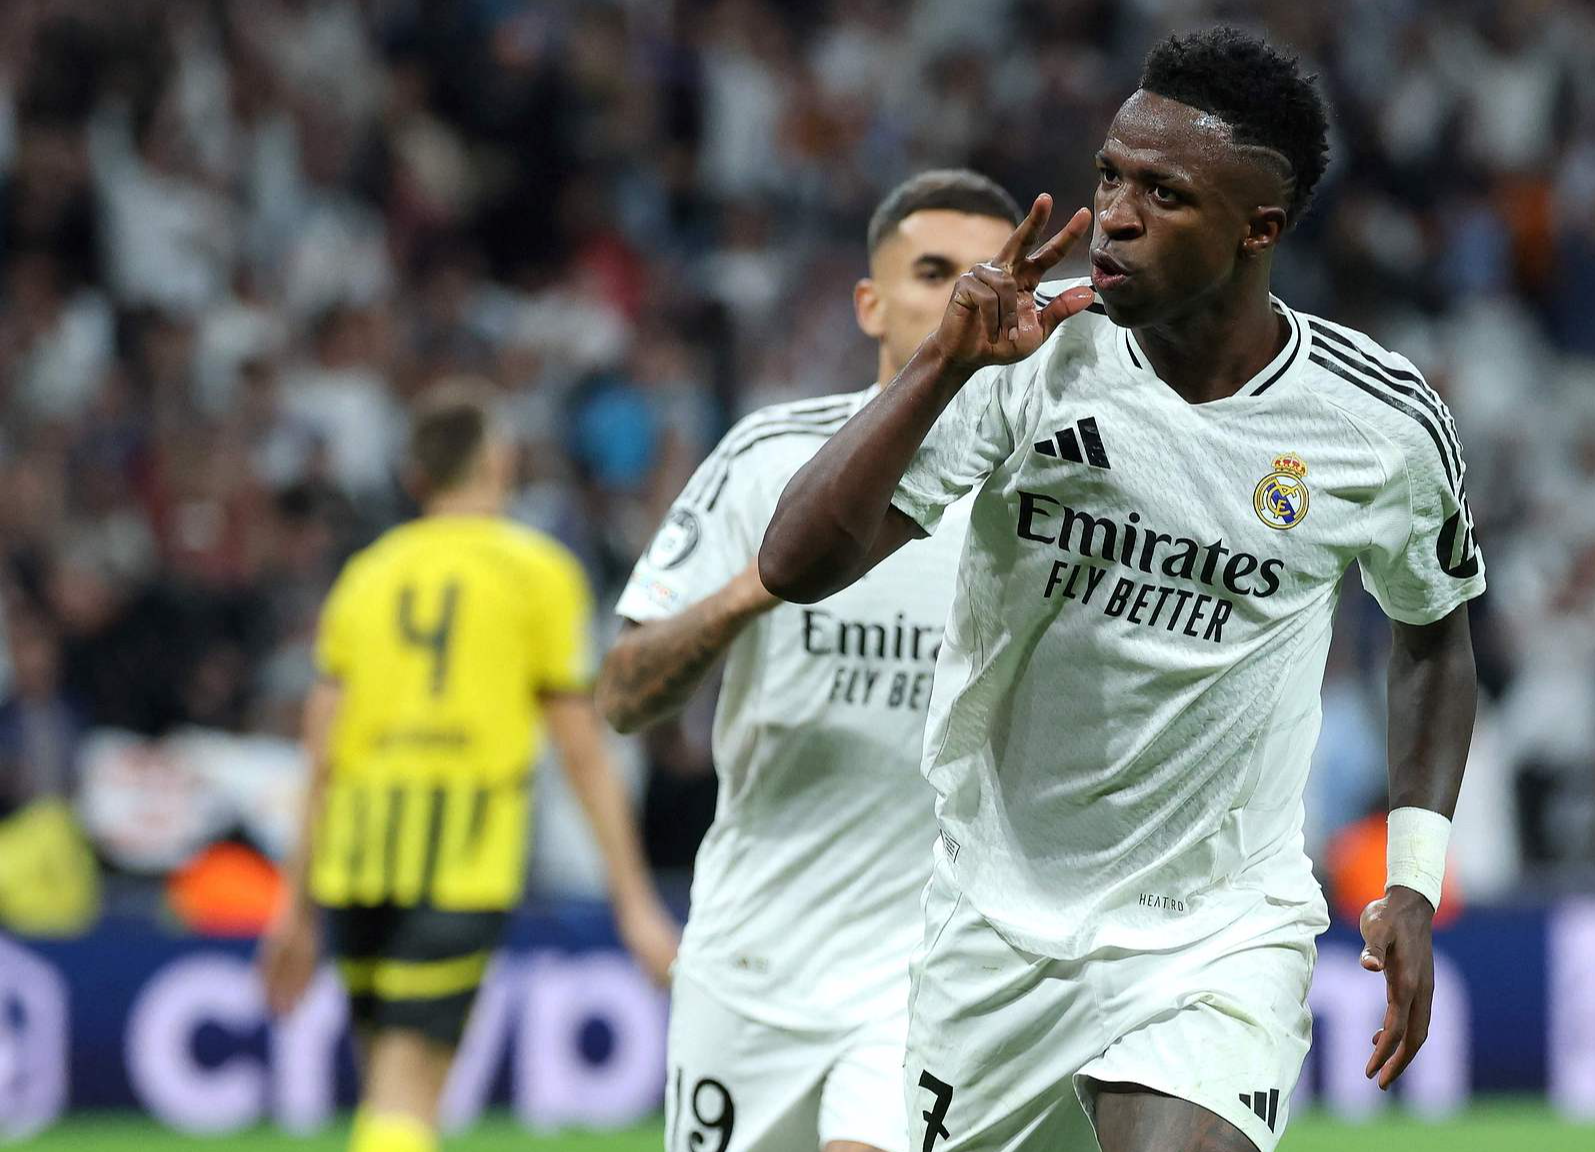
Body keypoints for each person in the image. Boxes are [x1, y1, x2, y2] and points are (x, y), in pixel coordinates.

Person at [759, 28, 1483, 1152]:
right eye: (1108, 176)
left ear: (1260, 228)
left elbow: (1434, 638)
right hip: (994, 924)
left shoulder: (1375, 426)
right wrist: (941, 365)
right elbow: (791, 567)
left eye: (1164, 193)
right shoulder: (1026, 355)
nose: (1114, 215)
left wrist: (1412, 882)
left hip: (1213, 928)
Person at [596, 170, 1019, 1152]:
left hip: (928, 973)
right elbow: (621, 696)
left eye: (990, 274)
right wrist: (760, 584)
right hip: (751, 965)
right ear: (869, 304)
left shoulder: (1039, 501)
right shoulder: (766, 462)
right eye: (932, 271)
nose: (965, 294)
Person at [258, 381, 679, 1152]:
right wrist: (633, 899)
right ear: (500, 463)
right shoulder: (539, 572)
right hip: (458, 859)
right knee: (408, 1094)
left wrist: (292, 900)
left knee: (388, 1086)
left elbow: (319, 750)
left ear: (415, 478)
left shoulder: (366, 574)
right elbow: (581, 751)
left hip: (354, 860)